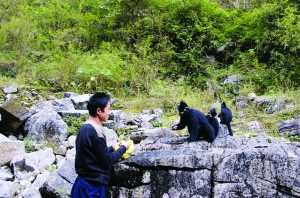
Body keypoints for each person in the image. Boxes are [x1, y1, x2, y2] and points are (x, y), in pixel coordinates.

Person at [71, 92, 128, 198]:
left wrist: (112, 148)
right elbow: (107, 161)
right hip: (93, 187)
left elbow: (95, 154)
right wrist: (123, 148)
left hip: (83, 184)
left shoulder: (85, 128)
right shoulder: (95, 132)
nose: (109, 113)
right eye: (108, 109)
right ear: (98, 111)